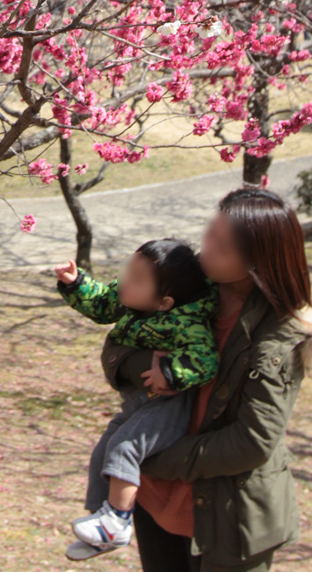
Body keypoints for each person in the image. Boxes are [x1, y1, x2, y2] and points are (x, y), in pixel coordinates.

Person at [97, 186, 312, 571]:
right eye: (210, 232)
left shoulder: (277, 336)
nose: (206, 249)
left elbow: (252, 441)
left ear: (255, 263)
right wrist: (149, 366)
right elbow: (117, 349)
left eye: (222, 246)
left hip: (229, 517)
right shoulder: (184, 287)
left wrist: (154, 459)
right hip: (157, 503)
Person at [55, 237, 221, 558]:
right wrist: (76, 284)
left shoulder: (188, 321)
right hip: (138, 404)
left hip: (168, 406)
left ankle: (117, 520)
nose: (125, 281)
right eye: (128, 270)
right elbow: (102, 302)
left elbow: (205, 358)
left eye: (138, 278)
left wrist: (170, 372)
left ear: (165, 302)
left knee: (124, 448)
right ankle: (100, 522)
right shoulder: (132, 298)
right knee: (102, 453)